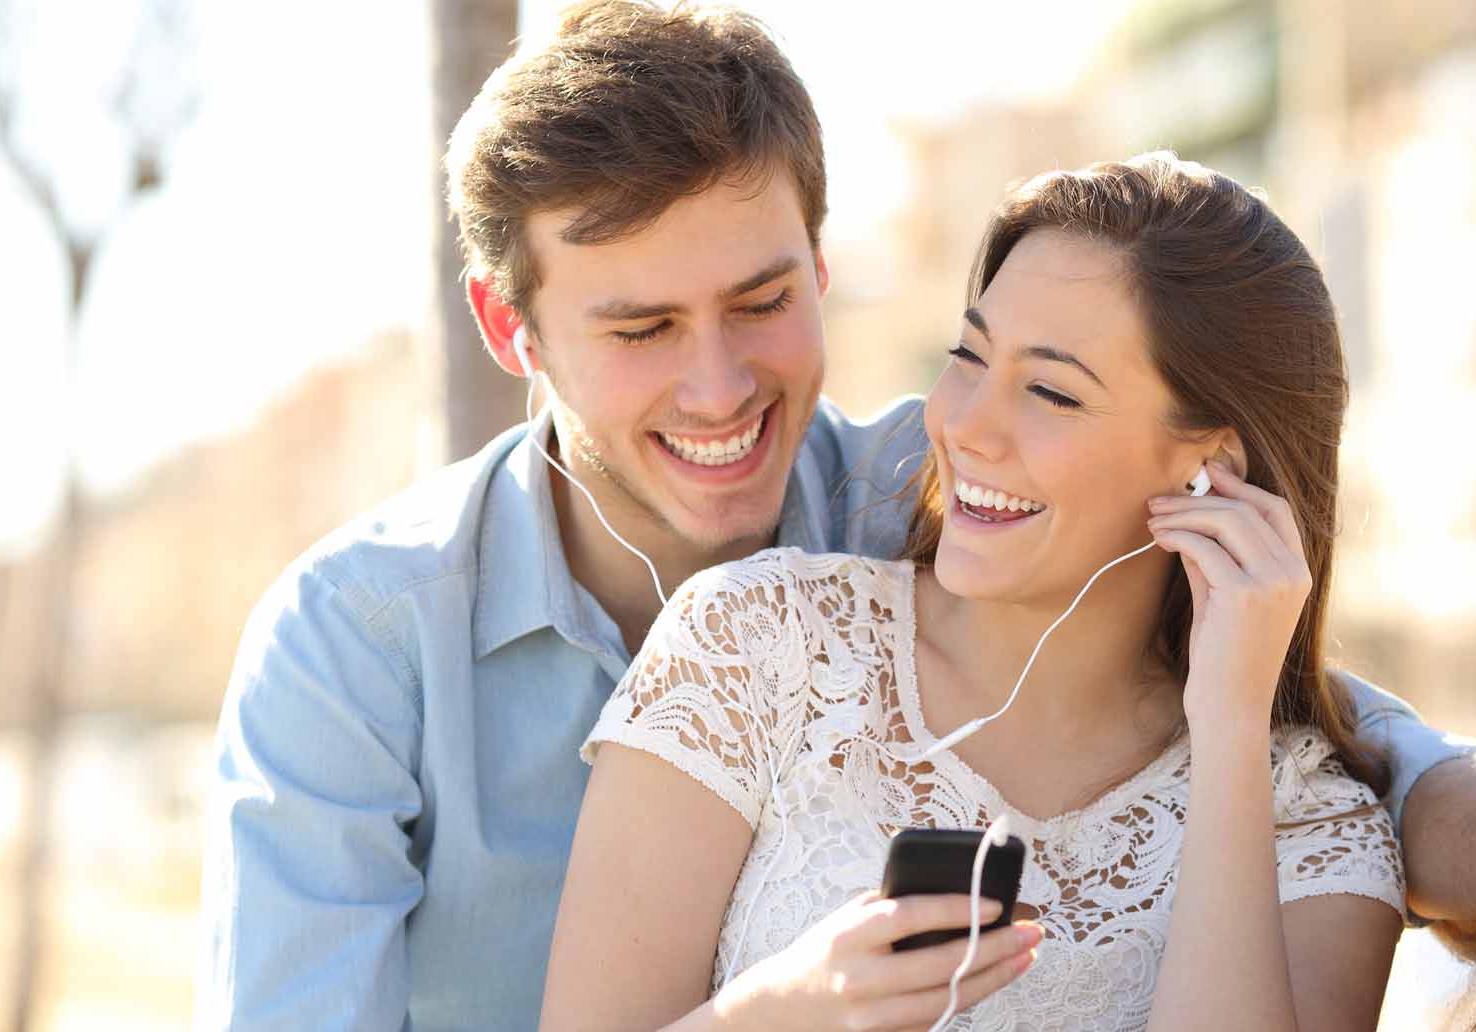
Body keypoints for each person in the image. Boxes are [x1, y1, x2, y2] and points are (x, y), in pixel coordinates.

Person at [193, 4, 1476, 1030]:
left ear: (822, 262)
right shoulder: (351, 649)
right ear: (510, 327)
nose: (722, 384)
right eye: (643, 327)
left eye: (764, 300)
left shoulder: (953, 481)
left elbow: (1343, 731)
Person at [544, 152, 1411, 1030]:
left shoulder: (1313, 829)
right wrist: (784, 1011)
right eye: (969, 354)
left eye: (1049, 391)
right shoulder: (753, 645)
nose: (962, 425)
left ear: (1210, 469)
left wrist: (1229, 730)